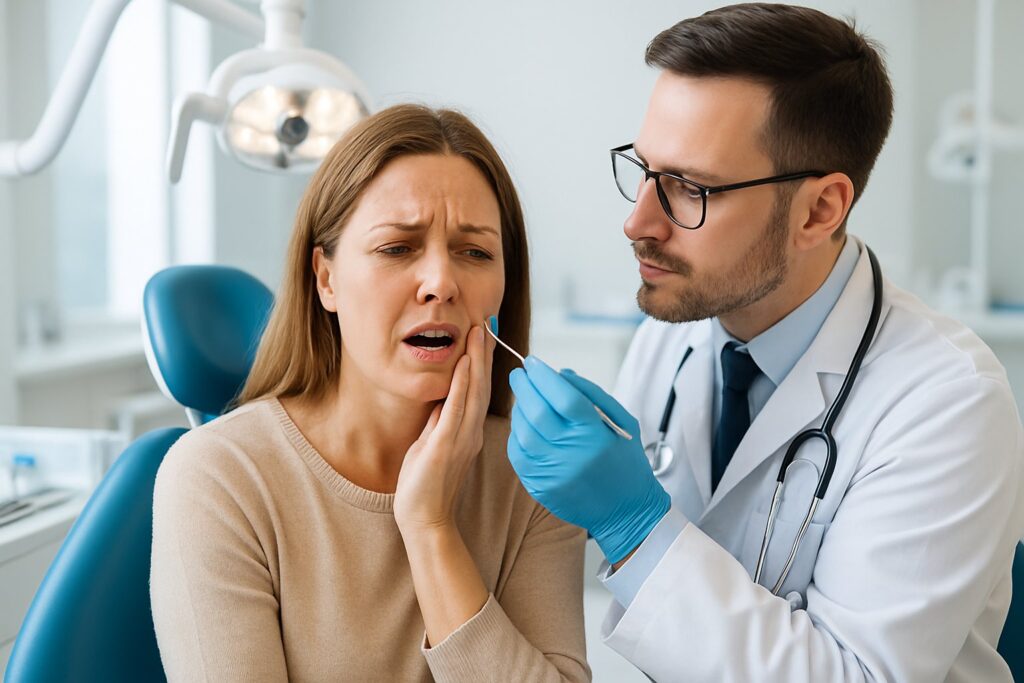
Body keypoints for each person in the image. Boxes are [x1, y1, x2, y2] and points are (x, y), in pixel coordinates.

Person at [505, 4, 1024, 681]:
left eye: (689, 188)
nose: (638, 222)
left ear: (819, 210)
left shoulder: (947, 403)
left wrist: (635, 525)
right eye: (644, 169)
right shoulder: (681, 325)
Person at [150, 104, 590, 682]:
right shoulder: (218, 477)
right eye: (397, 248)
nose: (441, 283)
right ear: (326, 279)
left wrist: (431, 526)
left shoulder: (534, 478)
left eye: (475, 252)